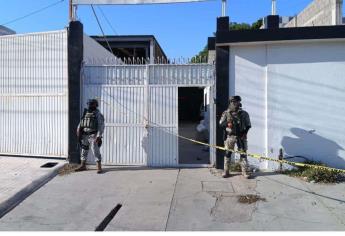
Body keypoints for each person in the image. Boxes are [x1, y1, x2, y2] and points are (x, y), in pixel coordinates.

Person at [219, 96, 251, 178]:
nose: (234, 103)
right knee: (227, 153)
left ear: (239, 102)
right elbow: (221, 124)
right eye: (232, 102)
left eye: (235, 102)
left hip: (241, 136)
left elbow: (248, 125)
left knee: (243, 153)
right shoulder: (226, 113)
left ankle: (244, 172)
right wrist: (227, 124)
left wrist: (244, 133)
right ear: (230, 102)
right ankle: (226, 171)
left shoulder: (244, 113)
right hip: (230, 136)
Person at [75, 98, 105, 174]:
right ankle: (83, 165)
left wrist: (99, 136)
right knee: (84, 150)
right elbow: (81, 123)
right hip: (85, 135)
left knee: (95, 151)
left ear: (95, 105)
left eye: (91, 104)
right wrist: (78, 131)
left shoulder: (98, 114)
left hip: (93, 135)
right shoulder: (86, 113)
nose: (89, 105)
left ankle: (99, 167)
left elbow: (101, 125)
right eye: (88, 104)